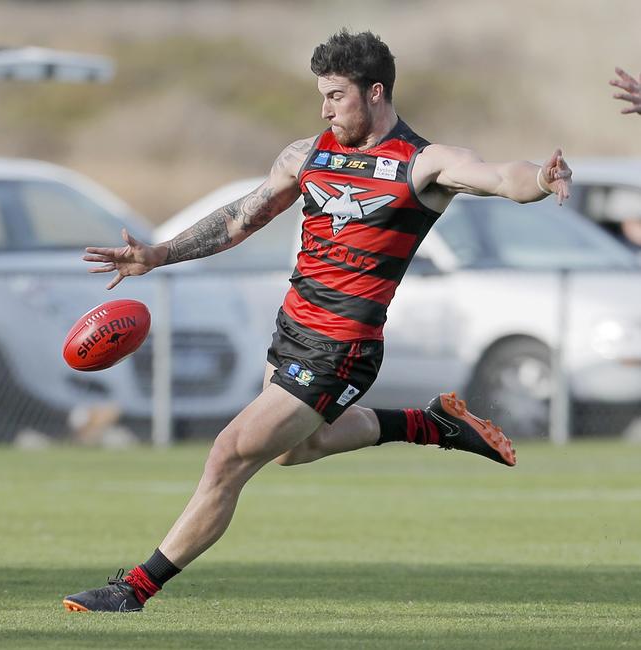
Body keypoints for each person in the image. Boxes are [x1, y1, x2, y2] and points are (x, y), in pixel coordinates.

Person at [63, 30, 572, 613]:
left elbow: (499, 176)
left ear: (375, 92)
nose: (325, 108)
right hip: (293, 330)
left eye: (335, 96)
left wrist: (540, 178)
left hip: (342, 346)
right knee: (295, 450)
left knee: (230, 454)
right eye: (322, 96)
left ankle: (134, 589)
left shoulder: (423, 163)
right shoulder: (308, 153)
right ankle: (430, 425)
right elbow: (239, 218)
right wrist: (159, 254)